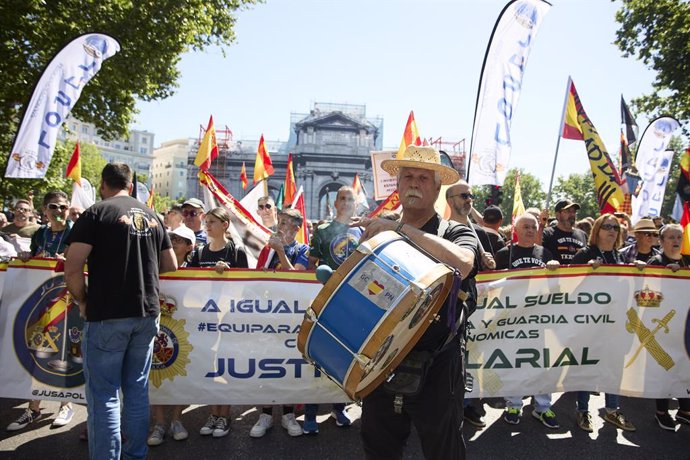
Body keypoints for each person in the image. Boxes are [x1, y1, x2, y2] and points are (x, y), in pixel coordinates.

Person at [355, 145, 478, 460]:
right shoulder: (377, 231)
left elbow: (464, 264)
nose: (414, 182)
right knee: (379, 448)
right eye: (407, 176)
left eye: (424, 177)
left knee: (443, 451)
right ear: (397, 185)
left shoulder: (456, 232)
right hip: (381, 361)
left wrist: (399, 229)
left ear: (437, 188)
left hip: (438, 365)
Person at [64, 163, 177, 460]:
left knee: (104, 396)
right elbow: (171, 264)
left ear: (104, 184)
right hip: (146, 315)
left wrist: (82, 301)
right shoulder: (153, 216)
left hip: (107, 314)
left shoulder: (97, 212)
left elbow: (72, 266)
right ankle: (134, 455)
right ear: (129, 184)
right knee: (137, 391)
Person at [6, 191, 75, 432]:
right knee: (37, 349)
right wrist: (27, 256)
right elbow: (34, 259)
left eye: (63, 207)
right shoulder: (40, 233)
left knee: (65, 354)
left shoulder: (76, 231)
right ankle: (33, 408)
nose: (59, 211)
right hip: (42, 302)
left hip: (69, 302)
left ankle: (66, 404)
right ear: (44, 211)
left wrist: (69, 259)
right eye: (54, 206)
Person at [304, 186, 363, 434]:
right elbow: (311, 263)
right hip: (326, 300)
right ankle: (310, 413)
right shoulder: (323, 231)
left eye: (351, 198)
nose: (347, 202)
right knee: (317, 356)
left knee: (344, 356)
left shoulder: (363, 230)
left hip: (353, 301)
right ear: (336, 203)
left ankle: (339, 408)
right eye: (343, 198)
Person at [495, 214, 560, 429]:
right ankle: (514, 404)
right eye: (526, 226)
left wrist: (554, 269)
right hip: (514, 319)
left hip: (540, 318)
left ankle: (542, 406)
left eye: (533, 226)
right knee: (515, 361)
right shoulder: (505, 254)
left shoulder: (545, 253)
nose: (531, 230)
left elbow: (556, 288)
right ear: (516, 229)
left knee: (542, 362)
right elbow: (494, 285)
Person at [572, 214, 635, 432]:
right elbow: (569, 288)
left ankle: (612, 410)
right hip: (588, 323)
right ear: (597, 230)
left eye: (615, 227)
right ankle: (583, 410)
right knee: (586, 365)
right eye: (607, 226)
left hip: (614, 323)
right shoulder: (585, 254)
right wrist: (586, 271)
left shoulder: (619, 257)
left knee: (613, 367)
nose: (612, 231)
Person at [188, 206, 248, 438]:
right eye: (206, 222)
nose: (207, 225)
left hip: (229, 318)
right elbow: (189, 283)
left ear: (225, 225)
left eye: (212, 222)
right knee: (209, 365)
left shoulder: (236, 252)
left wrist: (229, 273)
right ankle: (213, 413)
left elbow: (246, 287)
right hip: (205, 318)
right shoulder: (200, 253)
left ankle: (225, 415)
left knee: (225, 365)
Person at [250, 208, 308, 438]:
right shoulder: (266, 249)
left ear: (296, 228)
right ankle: (265, 414)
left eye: (286, 223)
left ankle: (287, 413)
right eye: (279, 222)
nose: (280, 226)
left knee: (288, 364)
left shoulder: (302, 250)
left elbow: (296, 278)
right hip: (267, 316)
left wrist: (281, 252)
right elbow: (255, 279)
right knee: (266, 362)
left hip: (290, 318)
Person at [445, 180, 494, 429]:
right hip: (445, 303)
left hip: (469, 301)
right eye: (463, 195)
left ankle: (465, 406)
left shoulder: (480, 233)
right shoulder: (440, 230)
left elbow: (500, 263)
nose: (469, 199)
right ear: (450, 200)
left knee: (467, 355)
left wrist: (488, 258)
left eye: (471, 195)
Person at [147, 225, 196, 446]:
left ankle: (177, 419)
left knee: (180, 374)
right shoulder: (152, 262)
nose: (174, 241)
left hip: (183, 330)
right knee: (155, 372)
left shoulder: (195, 269)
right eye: (172, 237)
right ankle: (158, 424)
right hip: (158, 325)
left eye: (179, 239)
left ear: (189, 246)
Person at [645, 223, 690, 430]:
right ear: (661, 242)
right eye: (671, 238)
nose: (675, 241)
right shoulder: (656, 261)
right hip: (663, 326)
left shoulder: (687, 261)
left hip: (684, 325)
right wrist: (667, 277)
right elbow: (648, 293)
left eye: (679, 237)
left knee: (684, 367)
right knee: (665, 368)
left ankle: (684, 410)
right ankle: (661, 412)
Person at [542, 199, 588, 264]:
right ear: (557, 215)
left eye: (574, 211)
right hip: (555, 273)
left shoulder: (583, 235)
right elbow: (538, 252)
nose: (572, 214)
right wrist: (541, 225)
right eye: (568, 211)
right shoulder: (547, 233)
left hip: (578, 274)